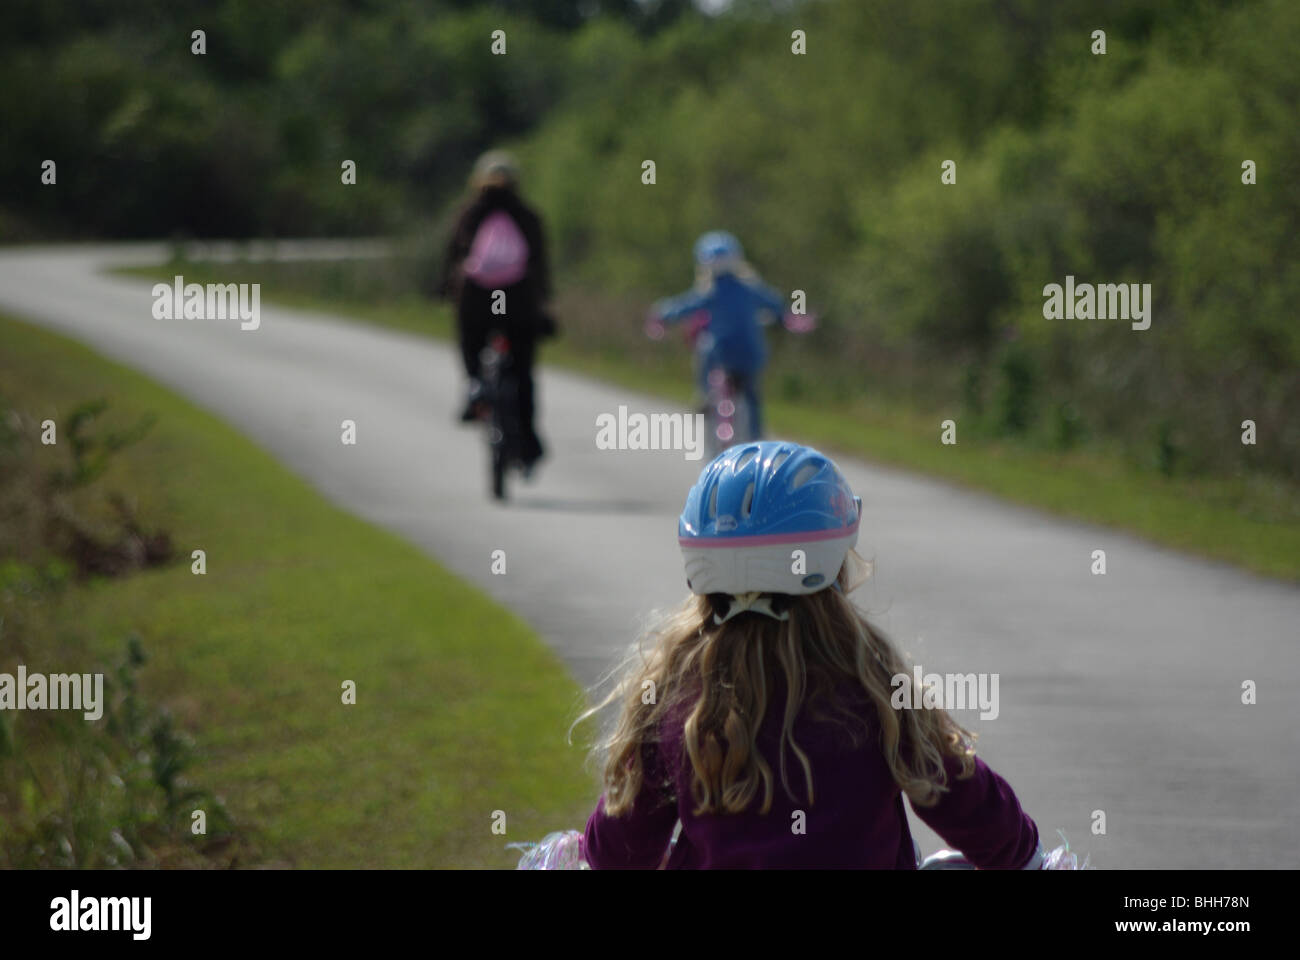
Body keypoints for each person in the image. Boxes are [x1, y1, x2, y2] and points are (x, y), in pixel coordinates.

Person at [573, 441, 1049, 869]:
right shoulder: (875, 689)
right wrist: (1026, 852)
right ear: (832, 566)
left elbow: (615, 852)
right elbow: (982, 816)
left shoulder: (679, 701)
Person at [438, 150, 552, 470]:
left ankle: (475, 386)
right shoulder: (528, 216)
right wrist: (544, 304)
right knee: (523, 373)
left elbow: (452, 258)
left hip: (477, 301)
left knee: (470, 339)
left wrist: (443, 289)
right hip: (519, 302)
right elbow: (540, 265)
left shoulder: (468, 214)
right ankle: (527, 440)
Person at [647, 231, 785, 440]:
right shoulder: (750, 288)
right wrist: (788, 316)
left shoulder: (712, 290)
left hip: (721, 353)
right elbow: (775, 303)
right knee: (752, 395)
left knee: (705, 347)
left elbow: (684, 305)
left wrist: (661, 314)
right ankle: (757, 439)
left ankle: (705, 395)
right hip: (751, 355)